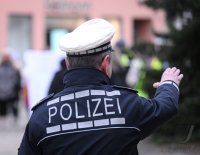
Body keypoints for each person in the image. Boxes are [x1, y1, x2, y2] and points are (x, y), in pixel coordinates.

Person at [18, 18, 183, 155]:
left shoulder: (41, 116)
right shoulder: (127, 105)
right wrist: (169, 83)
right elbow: (165, 107)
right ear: (105, 63)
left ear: (68, 64)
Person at [0, 50, 21, 118]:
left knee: (13, 110)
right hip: (2, 94)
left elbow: (18, 79)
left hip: (12, 94)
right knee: (3, 113)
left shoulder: (14, 67)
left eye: (7, 56)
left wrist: (16, 89)